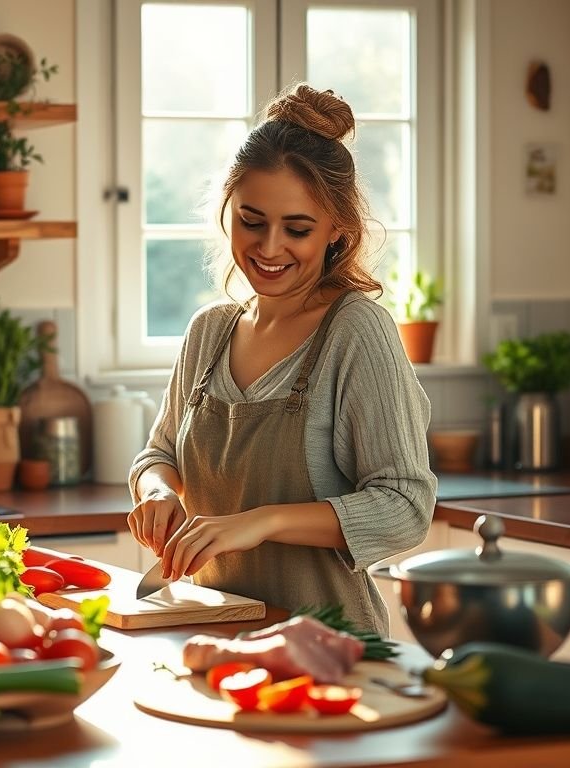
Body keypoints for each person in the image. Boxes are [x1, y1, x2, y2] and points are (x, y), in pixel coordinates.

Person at [126, 83, 436, 635]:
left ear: (338, 229)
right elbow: (158, 453)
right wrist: (154, 492)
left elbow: (405, 508)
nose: (269, 248)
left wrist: (262, 523)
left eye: (297, 229)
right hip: (217, 636)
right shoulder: (209, 332)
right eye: (252, 220)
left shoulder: (356, 332)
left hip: (332, 650)